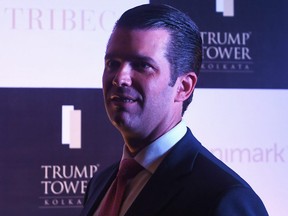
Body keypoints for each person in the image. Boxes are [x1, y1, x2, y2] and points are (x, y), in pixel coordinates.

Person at [80, 4, 268, 216]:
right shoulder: (101, 183)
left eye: (142, 65)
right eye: (113, 63)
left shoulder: (225, 198)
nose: (120, 77)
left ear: (184, 87)